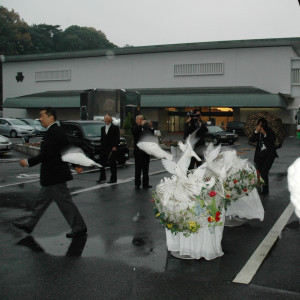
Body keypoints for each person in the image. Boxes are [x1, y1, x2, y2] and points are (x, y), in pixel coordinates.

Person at [12, 107, 87, 238]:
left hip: (55, 176)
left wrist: (29, 162)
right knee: (42, 202)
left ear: (51, 117)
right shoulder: (54, 131)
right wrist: (76, 164)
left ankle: (79, 227)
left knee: (65, 203)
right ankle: (30, 224)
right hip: (52, 176)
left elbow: (48, 154)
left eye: (42, 116)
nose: (40, 119)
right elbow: (67, 148)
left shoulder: (55, 132)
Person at [250, 117, 278, 195]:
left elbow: (273, 139)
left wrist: (264, 133)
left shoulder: (269, 131)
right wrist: (256, 131)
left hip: (269, 155)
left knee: (264, 173)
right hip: (259, 155)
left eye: (261, 124)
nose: (260, 126)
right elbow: (252, 140)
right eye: (259, 124)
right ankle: (258, 188)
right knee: (258, 173)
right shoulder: (257, 133)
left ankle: (265, 190)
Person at [132, 115, 154, 190]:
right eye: (140, 119)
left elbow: (151, 135)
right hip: (138, 152)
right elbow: (135, 133)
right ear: (136, 120)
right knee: (138, 169)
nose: (141, 120)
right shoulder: (135, 127)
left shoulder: (146, 127)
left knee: (146, 169)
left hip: (146, 151)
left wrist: (151, 127)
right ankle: (137, 184)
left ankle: (146, 184)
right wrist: (140, 125)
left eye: (142, 119)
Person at [97, 114, 120, 184]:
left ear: (111, 119)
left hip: (112, 148)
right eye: (105, 119)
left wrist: (115, 146)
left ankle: (113, 178)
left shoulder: (115, 128)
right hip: (104, 148)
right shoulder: (102, 128)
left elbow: (117, 138)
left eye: (108, 118)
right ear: (104, 120)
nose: (107, 120)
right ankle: (102, 177)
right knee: (101, 163)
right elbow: (102, 138)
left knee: (112, 164)